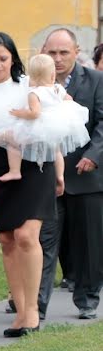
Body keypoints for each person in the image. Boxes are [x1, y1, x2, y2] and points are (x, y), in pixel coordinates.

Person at [0, 32, 56, 333]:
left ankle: (32, 311)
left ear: (13, 59)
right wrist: (2, 136)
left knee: (27, 235)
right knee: (7, 240)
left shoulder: (29, 84)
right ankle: (19, 309)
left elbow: (51, 115)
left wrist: (4, 135)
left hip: (33, 164)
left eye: (4, 58)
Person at [38, 28, 103, 320]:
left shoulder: (96, 81)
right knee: (44, 240)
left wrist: (92, 155)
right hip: (46, 176)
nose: (58, 58)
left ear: (76, 52)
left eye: (64, 52)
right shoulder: (35, 85)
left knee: (88, 242)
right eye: (52, 52)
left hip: (86, 175)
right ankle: (35, 303)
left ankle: (87, 298)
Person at [0, 54, 85, 183]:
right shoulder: (58, 88)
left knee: (12, 141)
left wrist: (20, 113)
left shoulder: (34, 93)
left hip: (38, 127)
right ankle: (60, 176)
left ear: (32, 77)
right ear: (53, 75)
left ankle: (15, 171)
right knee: (57, 152)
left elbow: (35, 113)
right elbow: (69, 99)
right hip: (56, 126)